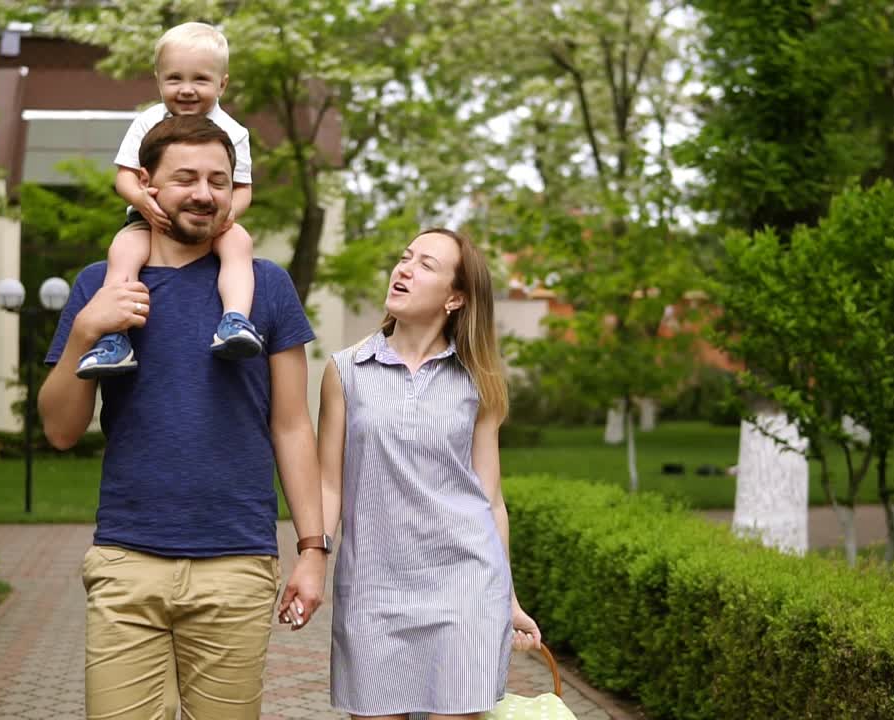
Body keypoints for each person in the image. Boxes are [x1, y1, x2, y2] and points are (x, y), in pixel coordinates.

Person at [39, 114, 329, 720]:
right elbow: (60, 430)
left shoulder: (265, 287)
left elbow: (292, 425)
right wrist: (87, 330)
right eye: (186, 178)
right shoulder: (101, 283)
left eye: (219, 181)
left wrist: (311, 549)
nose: (204, 193)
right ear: (147, 184)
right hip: (127, 562)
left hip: (236, 562)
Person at [295, 228, 542, 720]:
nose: (404, 269)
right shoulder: (345, 371)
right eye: (405, 258)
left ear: (455, 297)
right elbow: (328, 483)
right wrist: (313, 559)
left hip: (465, 589)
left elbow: (490, 499)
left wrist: (509, 599)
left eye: (426, 265)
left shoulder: (479, 381)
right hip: (372, 592)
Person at [76, 21, 262, 379]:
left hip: (213, 220)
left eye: (201, 80)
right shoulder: (148, 122)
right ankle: (116, 338)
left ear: (222, 83)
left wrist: (226, 217)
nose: (187, 90)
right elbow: (125, 176)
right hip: (150, 218)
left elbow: (242, 189)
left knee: (239, 243)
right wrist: (143, 201)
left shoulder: (234, 133)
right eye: (175, 79)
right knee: (123, 251)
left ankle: (235, 320)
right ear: (158, 80)